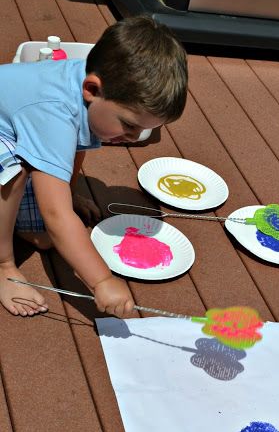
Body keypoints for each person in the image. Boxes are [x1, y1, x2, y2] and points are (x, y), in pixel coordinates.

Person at [0, 16, 188, 317]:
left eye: (143, 130)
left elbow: (73, 147)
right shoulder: (55, 114)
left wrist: (70, 193)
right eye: (129, 125)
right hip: (8, 137)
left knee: (48, 240)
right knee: (11, 174)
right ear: (92, 89)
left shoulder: (90, 91)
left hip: (16, 128)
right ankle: (4, 268)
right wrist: (102, 280)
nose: (132, 137)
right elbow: (55, 215)